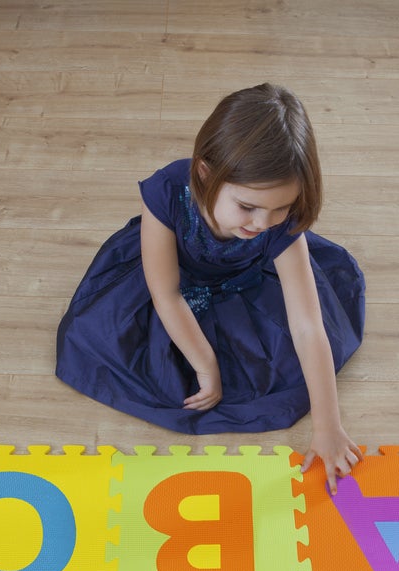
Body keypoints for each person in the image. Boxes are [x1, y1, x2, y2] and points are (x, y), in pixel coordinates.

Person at [56, 83, 366, 493]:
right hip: (171, 284)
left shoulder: (279, 226)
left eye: (280, 207)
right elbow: (166, 294)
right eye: (248, 207)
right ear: (205, 173)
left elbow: (309, 326)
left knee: (293, 363)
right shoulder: (168, 192)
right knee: (113, 345)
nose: (261, 223)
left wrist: (329, 426)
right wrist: (206, 365)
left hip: (246, 286)